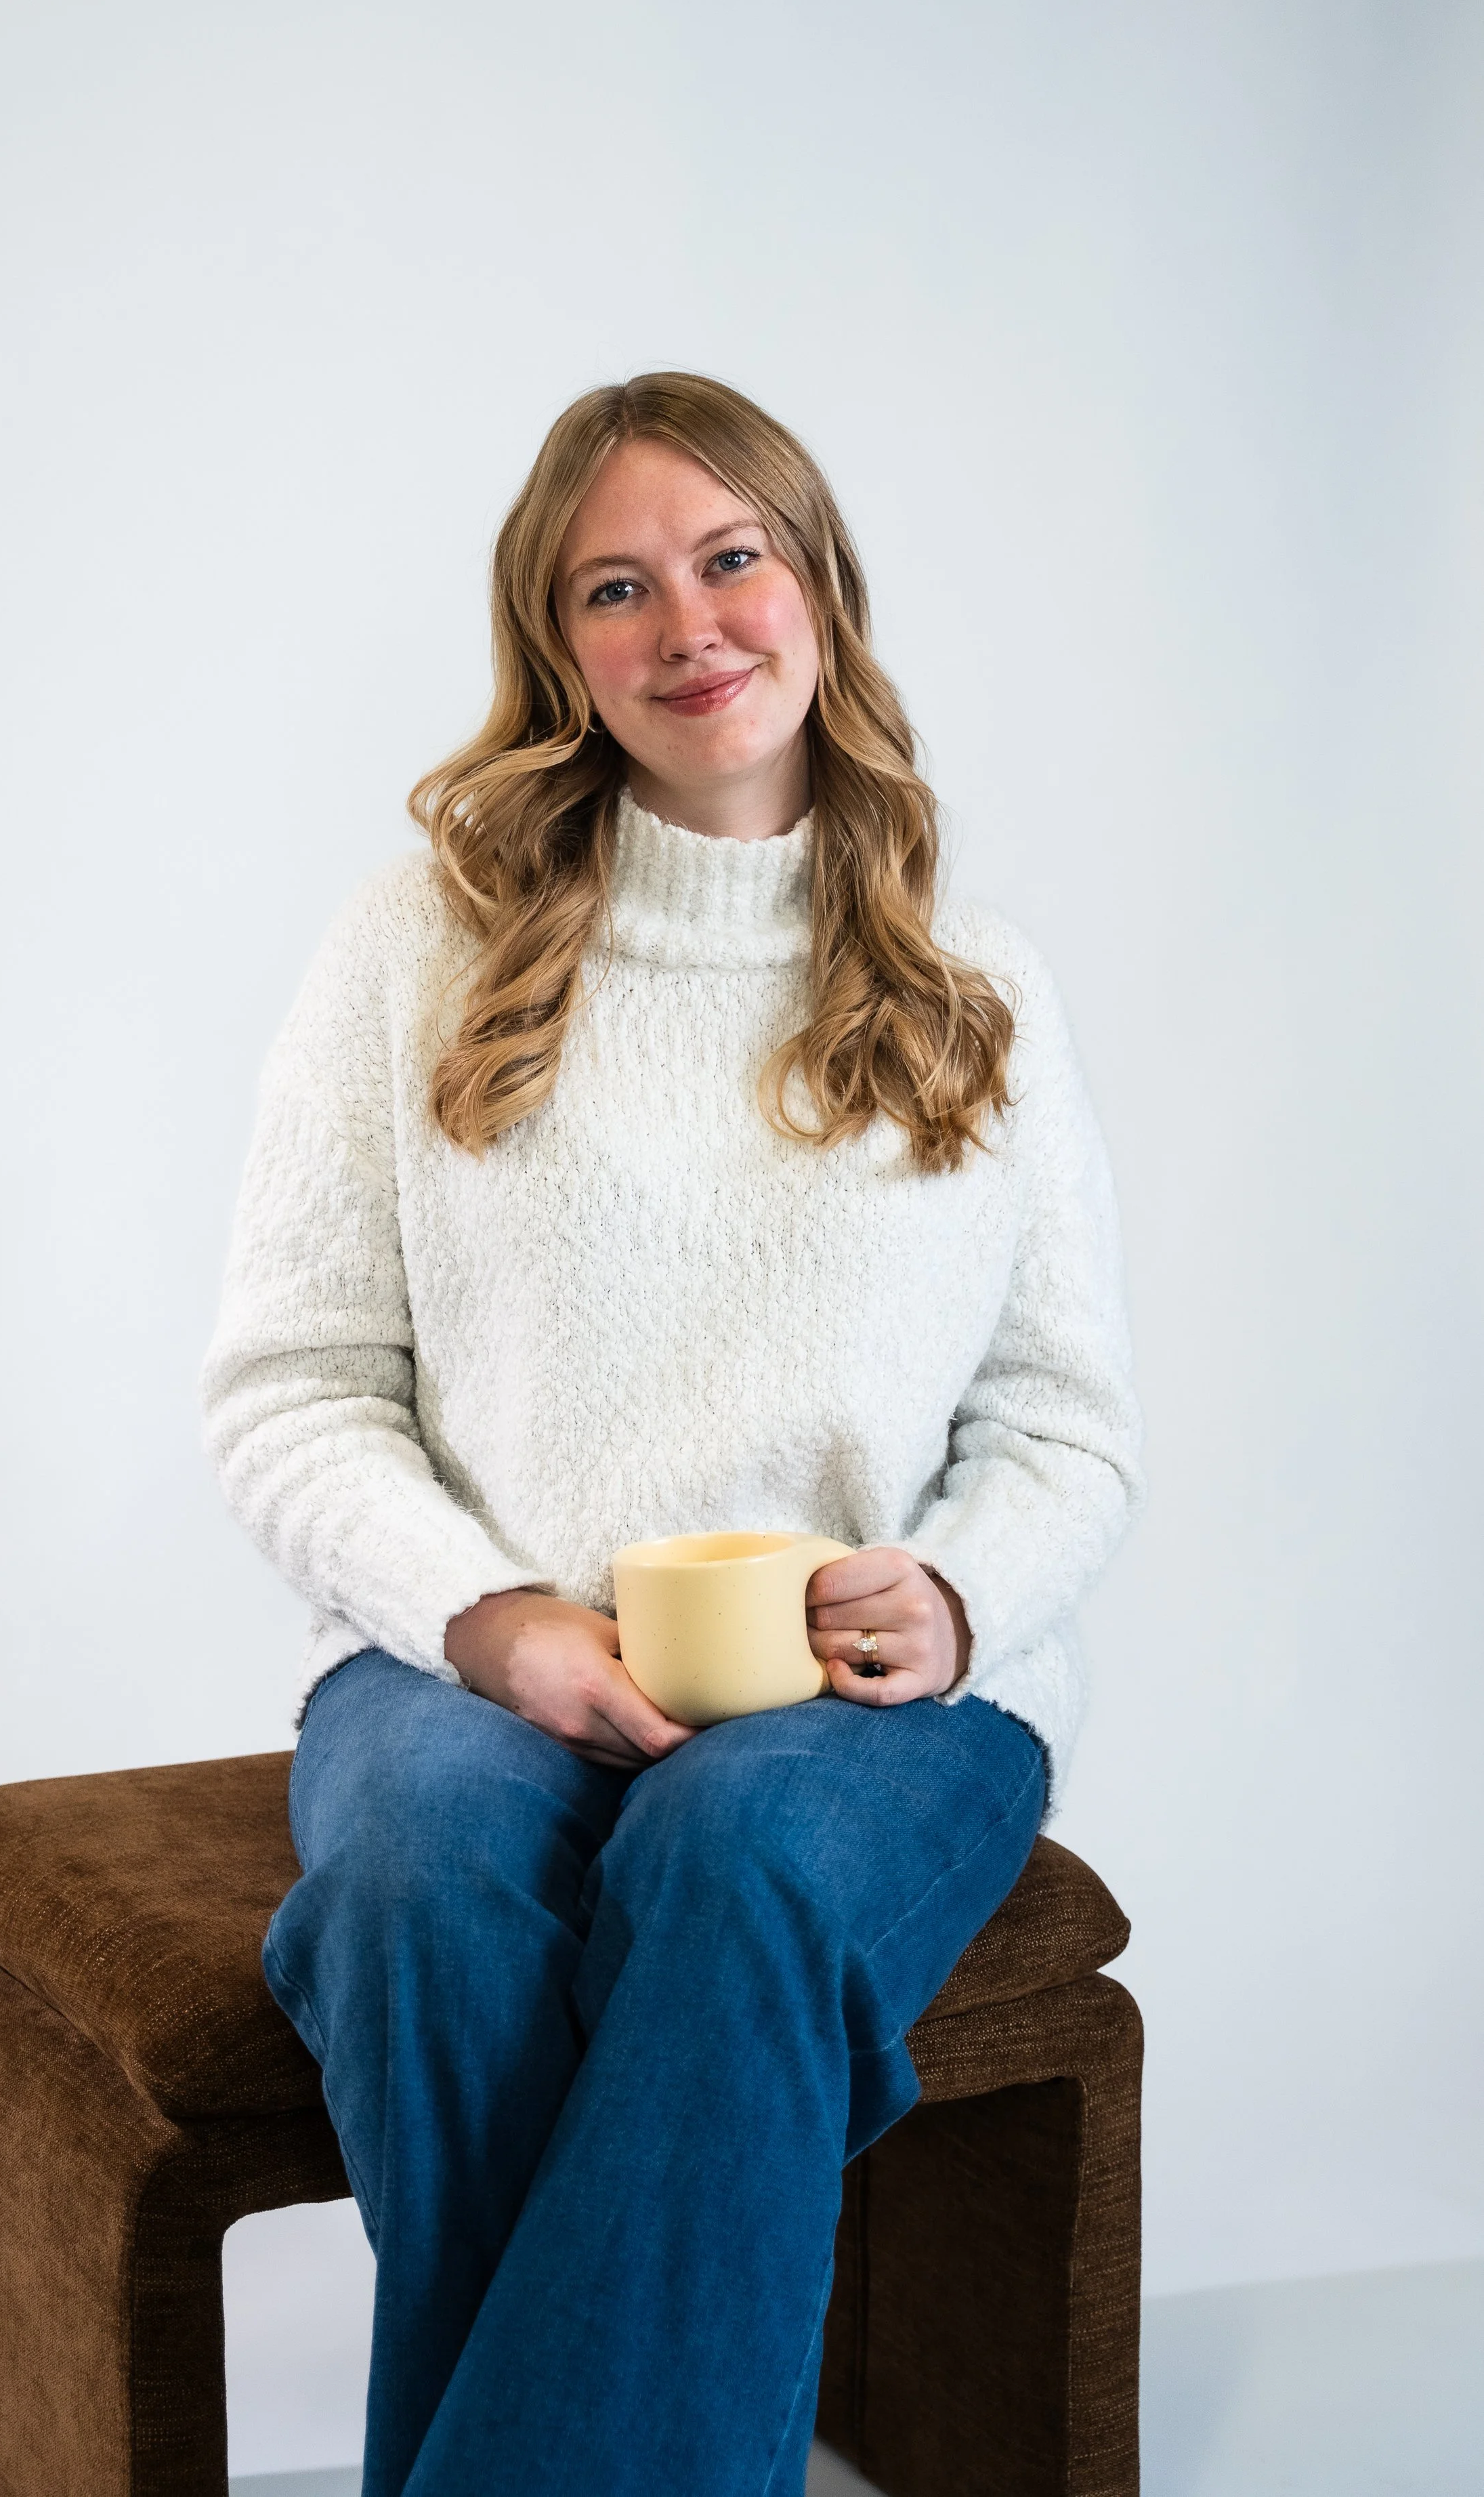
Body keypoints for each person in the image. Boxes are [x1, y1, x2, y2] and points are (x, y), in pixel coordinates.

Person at [198, 371, 1143, 2497]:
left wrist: (958, 1587)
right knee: (419, 1896)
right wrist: (487, 1619)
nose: (686, 622)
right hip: (476, 1661)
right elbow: (289, 1383)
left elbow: (1063, 1426)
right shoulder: (418, 947)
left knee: (735, 1857)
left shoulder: (972, 987)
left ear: (819, 588)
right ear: (555, 646)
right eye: (612, 586)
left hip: (874, 1704)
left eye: (730, 557)